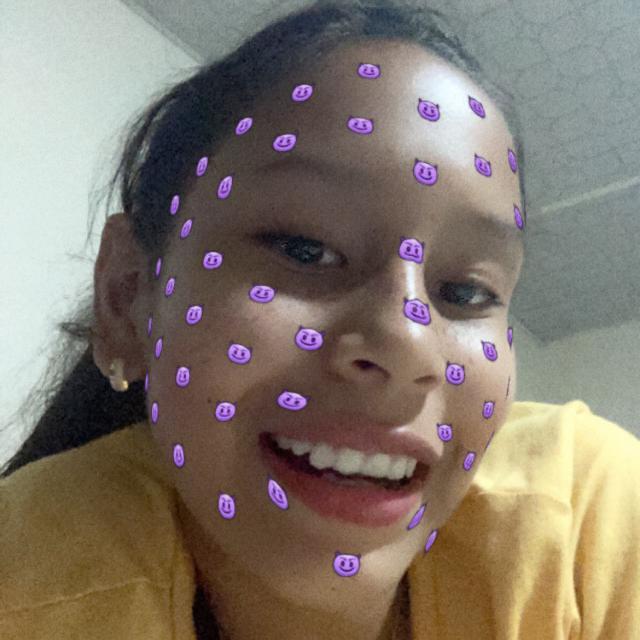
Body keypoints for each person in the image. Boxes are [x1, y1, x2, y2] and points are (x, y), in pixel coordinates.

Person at [1, 1, 639, 639]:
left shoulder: (592, 530)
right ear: (128, 296)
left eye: (466, 291)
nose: (409, 343)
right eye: (304, 250)